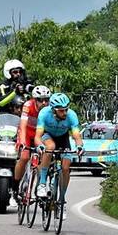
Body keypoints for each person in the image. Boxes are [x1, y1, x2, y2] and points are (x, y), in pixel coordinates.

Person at [34, 92, 84, 220]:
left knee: (66, 168)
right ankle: (42, 183)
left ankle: (61, 201)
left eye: (66, 109)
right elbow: (38, 135)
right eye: (62, 111)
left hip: (63, 138)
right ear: (54, 110)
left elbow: (76, 135)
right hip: (48, 136)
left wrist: (79, 146)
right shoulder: (44, 113)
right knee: (50, 148)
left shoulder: (71, 116)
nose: (65, 113)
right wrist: (40, 145)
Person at [13, 85, 51, 199]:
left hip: (39, 134)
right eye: (40, 100)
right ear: (35, 100)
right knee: (24, 158)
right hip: (27, 133)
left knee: (43, 158)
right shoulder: (28, 105)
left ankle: (40, 185)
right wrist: (23, 142)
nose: (44, 103)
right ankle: (14, 188)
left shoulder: (50, 109)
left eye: (46, 100)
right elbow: (23, 125)